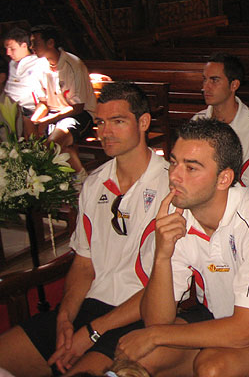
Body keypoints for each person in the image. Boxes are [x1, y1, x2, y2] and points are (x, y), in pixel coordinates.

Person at [115, 118, 249, 377]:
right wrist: (162, 256)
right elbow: (157, 321)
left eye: (191, 168)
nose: (175, 176)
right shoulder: (177, 216)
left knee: (214, 368)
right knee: (140, 357)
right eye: (174, 163)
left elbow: (243, 331)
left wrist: (154, 335)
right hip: (218, 316)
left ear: (224, 179)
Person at [0, 81, 170, 376]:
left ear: (143, 122)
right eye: (101, 122)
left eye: (117, 122)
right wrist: (65, 318)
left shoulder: (171, 185)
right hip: (91, 307)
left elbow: (168, 285)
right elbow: (83, 263)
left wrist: (91, 333)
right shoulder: (94, 183)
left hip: (140, 315)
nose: (104, 132)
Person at [191, 52, 249, 197]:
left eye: (214, 80)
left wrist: (236, 209)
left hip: (243, 207)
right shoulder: (197, 122)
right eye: (205, 80)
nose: (205, 87)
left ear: (234, 85)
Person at [29, 25, 97, 181]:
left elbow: (77, 107)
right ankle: (79, 178)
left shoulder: (73, 64)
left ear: (50, 43)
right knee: (55, 144)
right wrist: (36, 120)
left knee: (52, 143)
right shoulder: (39, 66)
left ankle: (72, 180)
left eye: (35, 43)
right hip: (55, 115)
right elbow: (43, 103)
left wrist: (47, 120)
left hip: (80, 114)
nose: (32, 47)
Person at [3, 27, 46, 136]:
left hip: (27, 110)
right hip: (7, 105)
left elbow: (43, 100)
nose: (8, 53)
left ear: (24, 45)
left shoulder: (38, 63)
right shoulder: (12, 64)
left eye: (12, 49)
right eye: (6, 49)